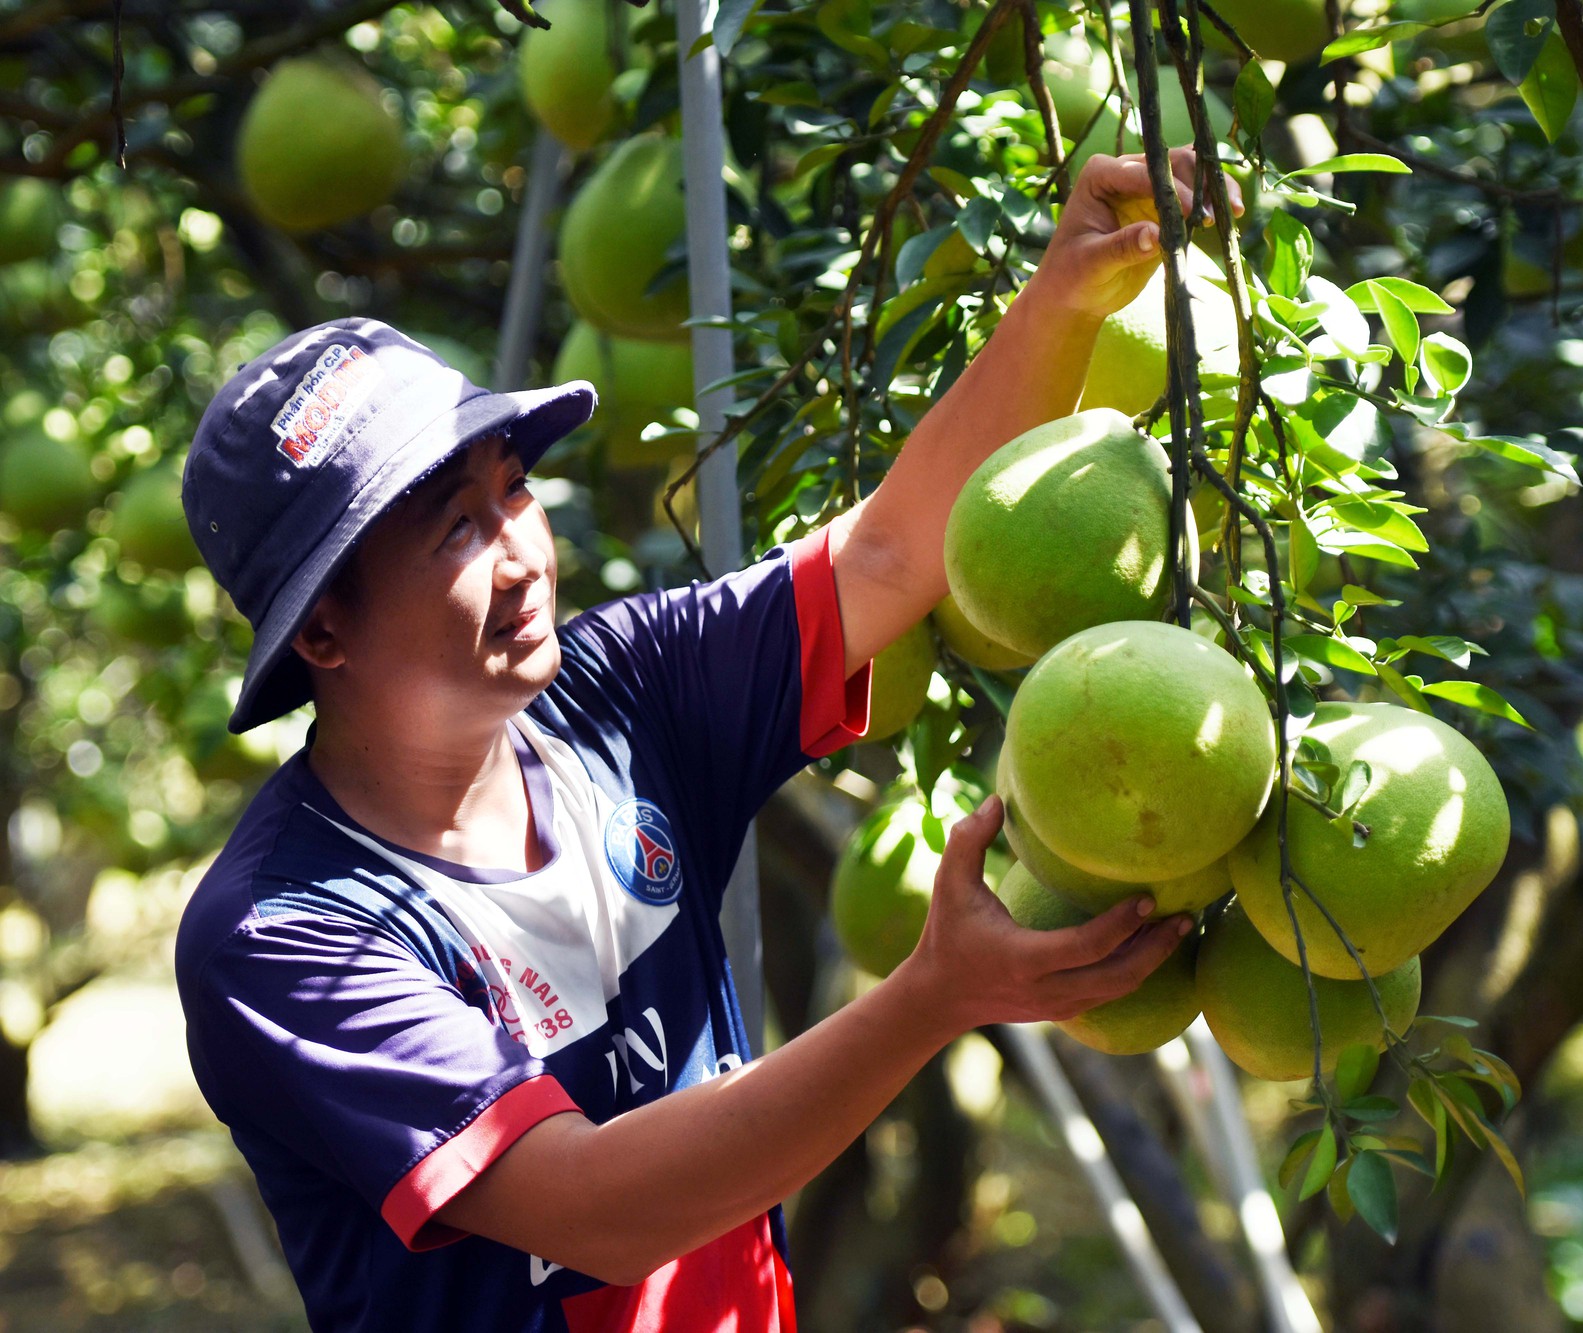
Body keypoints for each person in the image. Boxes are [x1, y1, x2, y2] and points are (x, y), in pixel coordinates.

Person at [173, 147, 1238, 1332]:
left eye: (514, 488)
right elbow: (595, 1209)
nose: (522, 551)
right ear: (324, 626)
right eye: (454, 530)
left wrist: (1067, 295)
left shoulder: (618, 693)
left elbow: (889, 552)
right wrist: (934, 994)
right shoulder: (288, 935)